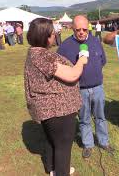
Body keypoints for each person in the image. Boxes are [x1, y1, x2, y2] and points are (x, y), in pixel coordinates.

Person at [24, 18, 88, 176]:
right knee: (63, 147)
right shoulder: (41, 56)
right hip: (58, 110)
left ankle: (52, 168)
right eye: (53, 33)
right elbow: (73, 75)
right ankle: (61, 172)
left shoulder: (36, 52)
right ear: (45, 36)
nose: (55, 35)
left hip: (50, 110)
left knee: (54, 142)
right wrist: (82, 60)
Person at [57, 15, 114, 159]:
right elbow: (60, 70)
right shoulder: (64, 46)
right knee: (84, 118)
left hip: (98, 88)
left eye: (84, 29)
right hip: (79, 90)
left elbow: (103, 61)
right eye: (78, 30)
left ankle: (104, 141)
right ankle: (88, 144)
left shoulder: (95, 41)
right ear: (72, 28)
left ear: (88, 27)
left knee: (100, 116)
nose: (81, 32)